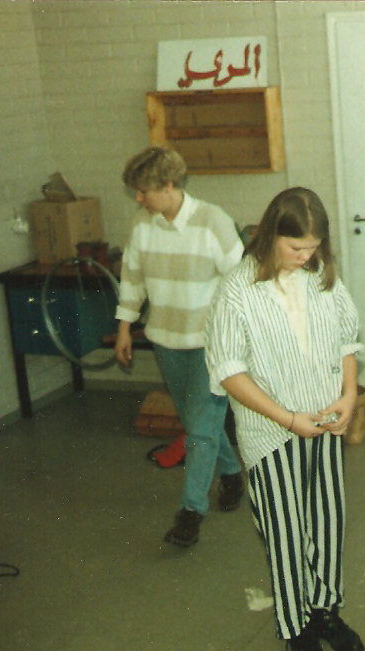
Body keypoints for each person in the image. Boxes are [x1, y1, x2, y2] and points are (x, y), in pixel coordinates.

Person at [206, 187, 365, 651]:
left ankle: (325, 610)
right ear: (272, 234)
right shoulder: (237, 290)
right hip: (271, 432)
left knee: (327, 522)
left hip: (324, 422)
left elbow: (346, 341)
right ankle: (296, 625)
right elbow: (229, 371)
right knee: (286, 530)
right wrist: (287, 418)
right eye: (296, 247)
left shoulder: (321, 276)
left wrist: (349, 395)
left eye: (313, 248)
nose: (305, 256)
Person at [114, 146, 246, 548]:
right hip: (166, 341)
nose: (139, 198)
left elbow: (242, 283)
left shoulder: (213, 222)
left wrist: (239, 338)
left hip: (211, 344)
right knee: (195, 423)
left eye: (144, 191)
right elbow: (132, 278)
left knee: (202, 428)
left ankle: (190, 513)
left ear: (168, 186)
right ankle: (231, 473)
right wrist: (124, 327)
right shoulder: (143, 225)